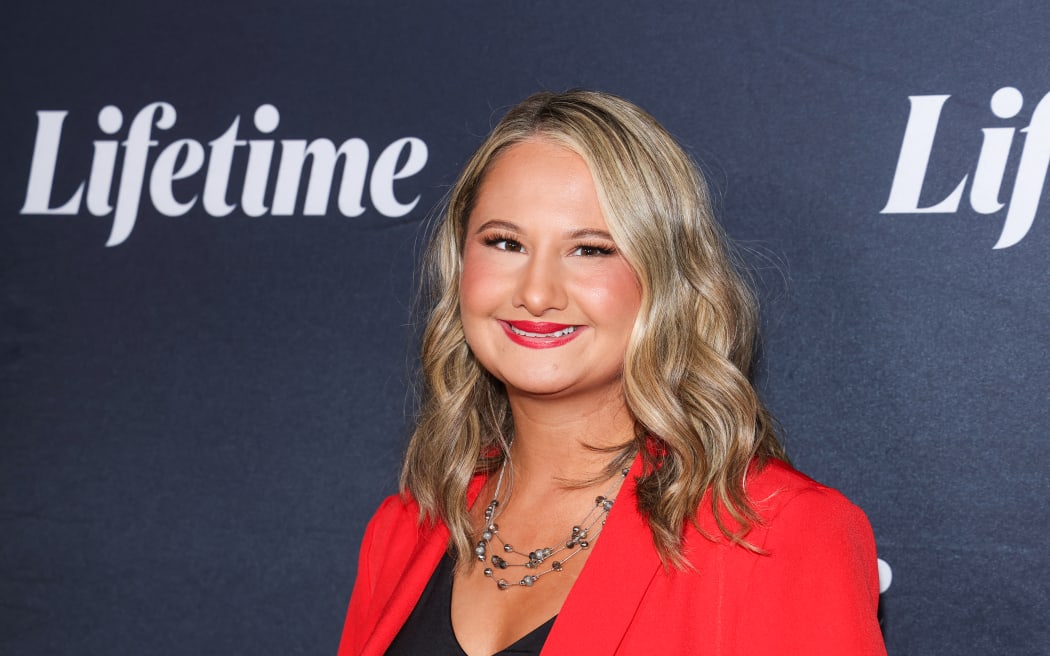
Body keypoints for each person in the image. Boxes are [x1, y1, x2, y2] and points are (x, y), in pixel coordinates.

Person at [338, 90, 886, 656]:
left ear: (665, 280)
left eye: (591, 250)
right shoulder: (405, 526)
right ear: (460, 264)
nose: (535, 293)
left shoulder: (781, 532)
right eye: (506, 243)